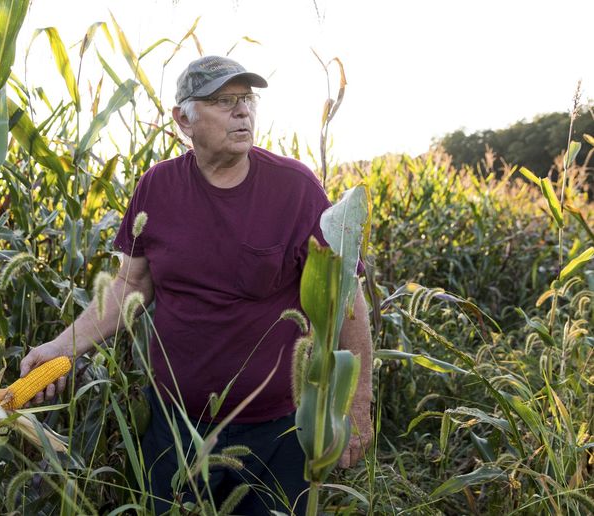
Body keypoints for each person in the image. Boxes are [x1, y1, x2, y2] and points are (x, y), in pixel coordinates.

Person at [19, 55, 373, 515]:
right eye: (224, 101)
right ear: (183, 118)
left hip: (278, 432)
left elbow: (346, 298)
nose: (242, 111)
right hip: (175, 425)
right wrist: (62, 348)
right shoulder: (157, 189)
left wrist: (357, 400)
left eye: (247, 100)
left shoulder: (295, 188)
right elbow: (130, 285)